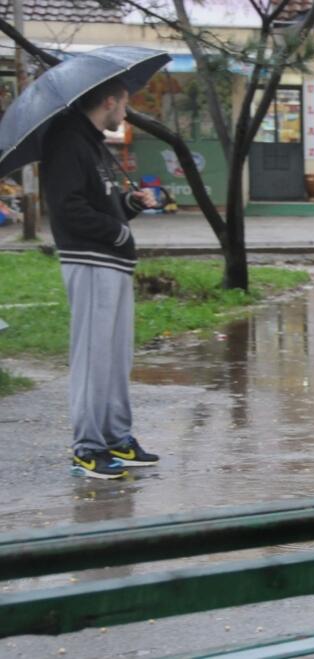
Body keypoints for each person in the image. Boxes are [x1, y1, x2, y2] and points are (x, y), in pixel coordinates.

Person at [41, 76, 159, 479]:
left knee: (115, 358)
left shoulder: (92, 143)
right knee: (93, 358)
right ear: (109, 101)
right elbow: (67, 208)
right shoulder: (67, 142)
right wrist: (117, 232)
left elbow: (98, 203)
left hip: (112, 263)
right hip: (91, 262)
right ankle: (87, 449)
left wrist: (128, 204)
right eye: (124, 104)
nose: (125, 113)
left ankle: (115, 438)